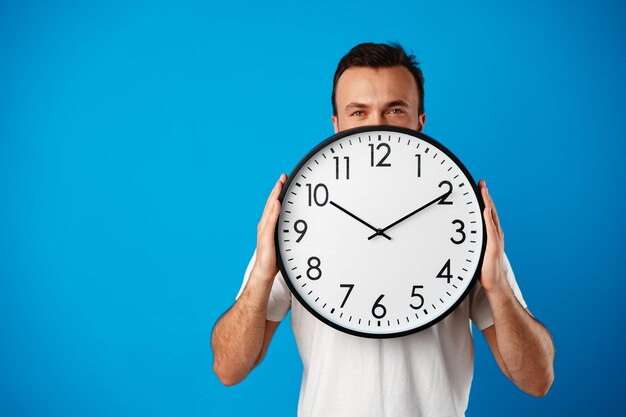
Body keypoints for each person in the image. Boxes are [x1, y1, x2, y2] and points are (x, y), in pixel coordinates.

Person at [211, 42, 555, 416]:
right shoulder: (299, 221)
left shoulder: (464, 222)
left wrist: (497, 287)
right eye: (358, 112)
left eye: (394, 110)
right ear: (336, 125)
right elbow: (229, 369)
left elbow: (536, 379)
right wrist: (263, 275)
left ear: (419, 122)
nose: (375, 127)